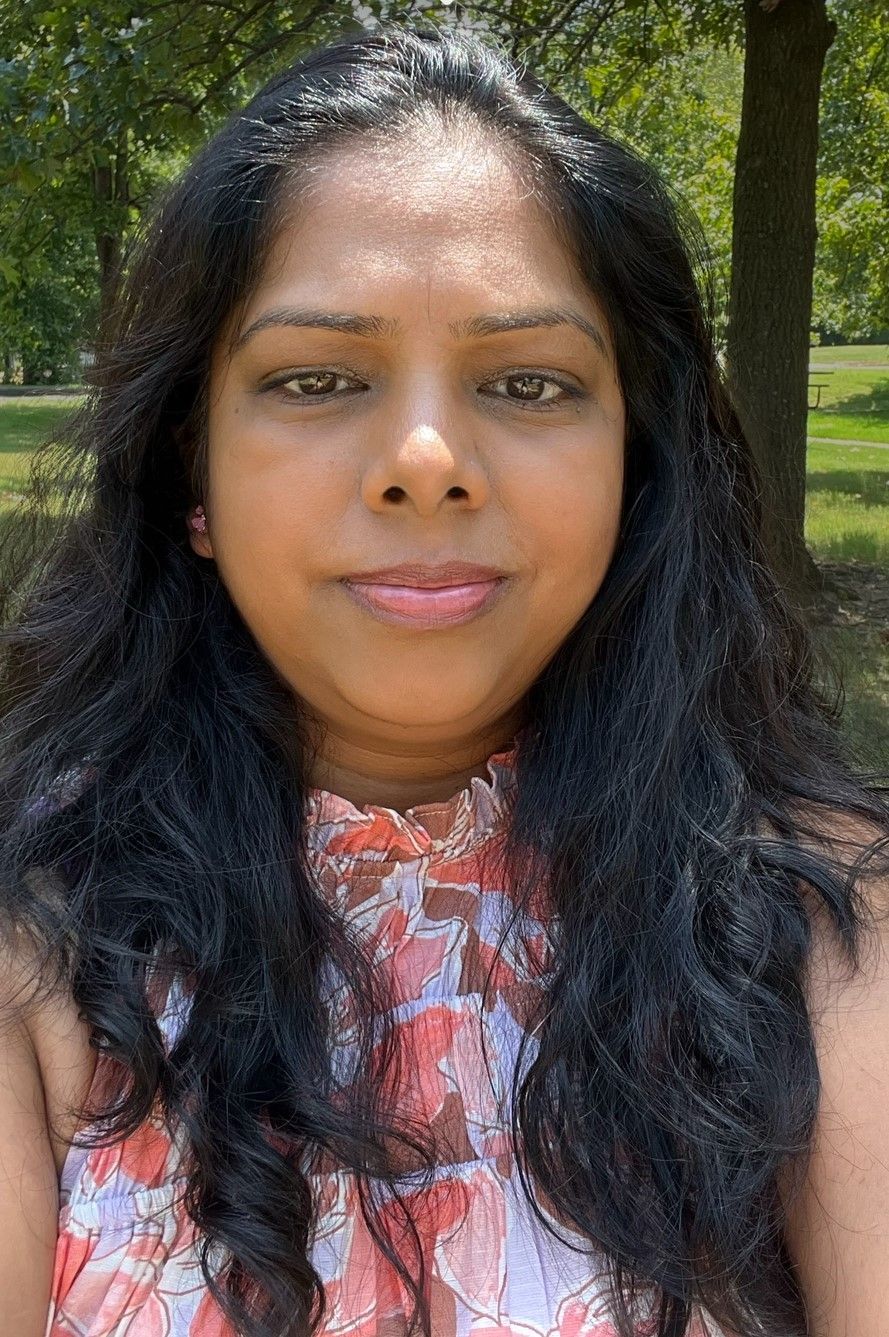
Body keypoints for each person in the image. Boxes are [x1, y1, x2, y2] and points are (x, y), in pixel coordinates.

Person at [0, 18, 887, 1337]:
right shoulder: (35, 951)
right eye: (316, 378)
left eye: (527, 383)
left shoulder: (832, 938)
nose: (426, 459)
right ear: (193, 468)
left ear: (636, 462)